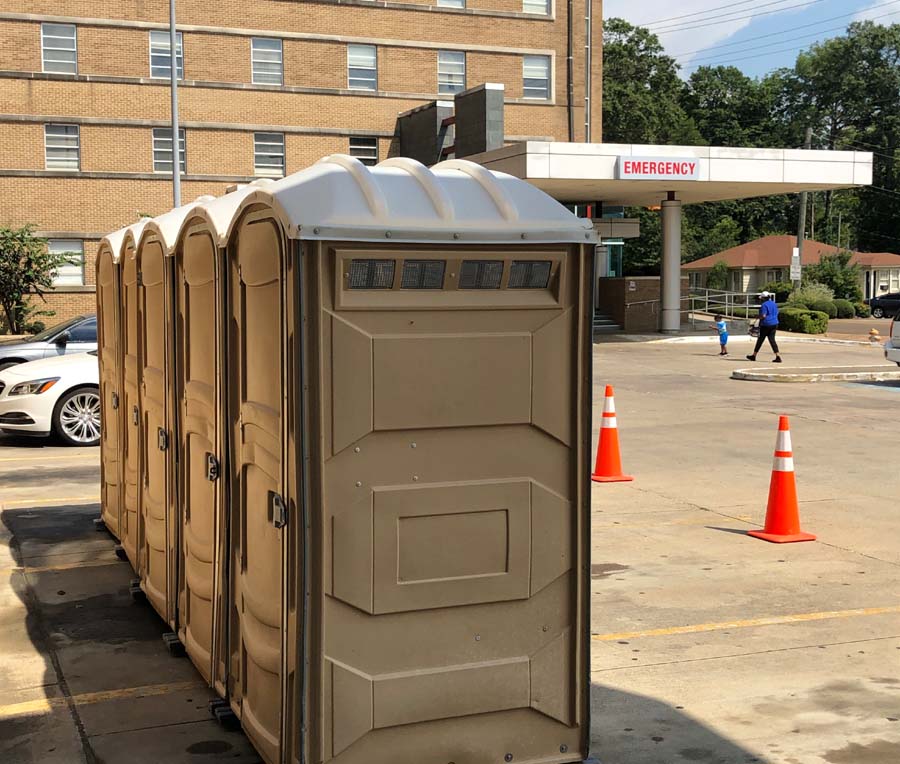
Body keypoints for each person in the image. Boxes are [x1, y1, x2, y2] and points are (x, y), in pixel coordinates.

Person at [746, 291, 783, 363]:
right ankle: (778, 356)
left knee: (760, 340)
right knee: (772, 340)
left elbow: (763, 315)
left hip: (766, 324)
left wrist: (757, 317)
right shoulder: (774, 304)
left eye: (761, 298)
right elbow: (777, 312)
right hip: (774, 323)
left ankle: (754, 355)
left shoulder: (764, 305)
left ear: (763, 298)